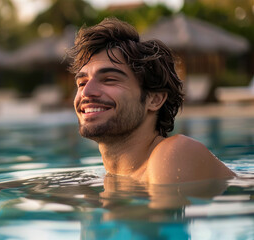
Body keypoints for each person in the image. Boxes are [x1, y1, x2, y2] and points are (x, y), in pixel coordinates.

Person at [68, 18, 235, 184]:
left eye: (109, 79)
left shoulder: (174, 154)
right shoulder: (115, 179)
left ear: (154, 99)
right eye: (82, 83)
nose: (87, 92)